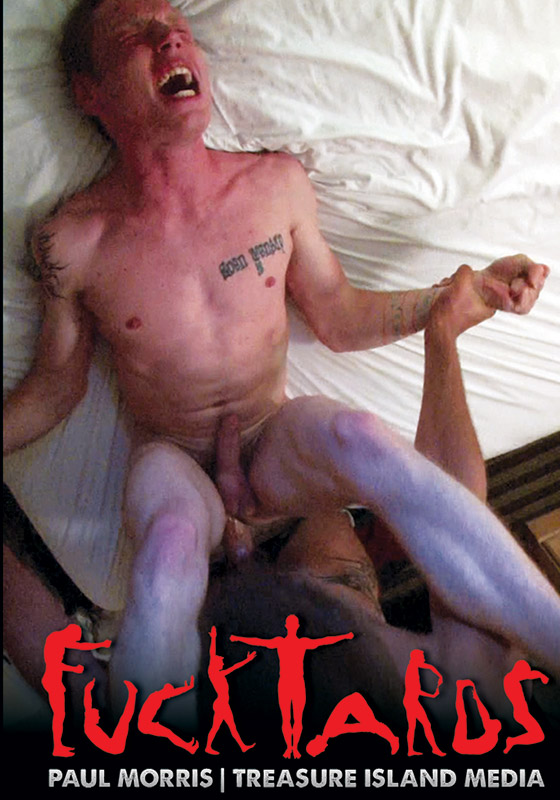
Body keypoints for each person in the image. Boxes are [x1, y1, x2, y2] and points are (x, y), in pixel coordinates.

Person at [2, 0, 556, 719]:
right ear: (90, 93)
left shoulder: (273, 185)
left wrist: (452, 299)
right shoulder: (74, 242)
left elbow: (338, 316)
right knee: (172, 540)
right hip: (176, 457)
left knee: (356, 438)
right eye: (135, 36)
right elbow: (57, 386)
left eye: (178, 28)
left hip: (272, 440)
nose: (171, 39)